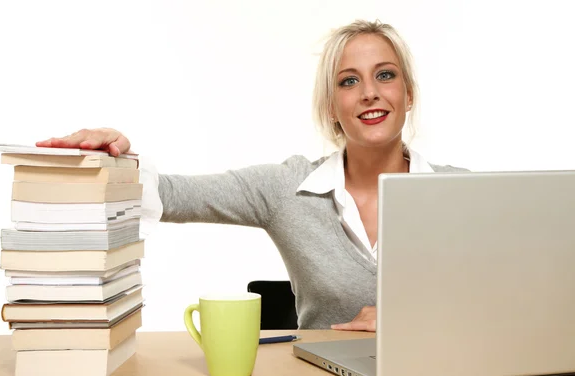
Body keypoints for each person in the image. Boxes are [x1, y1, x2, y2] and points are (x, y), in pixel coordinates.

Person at [36, 20, 467, 332]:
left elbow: (515, 307)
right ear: (331, 108)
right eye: (349, 81)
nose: (370, 92)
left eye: (385, 75)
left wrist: (413, 318)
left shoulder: (465, 196)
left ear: (407, 94)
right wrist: (117, 159)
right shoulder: (287, 189)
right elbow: (172, 194)